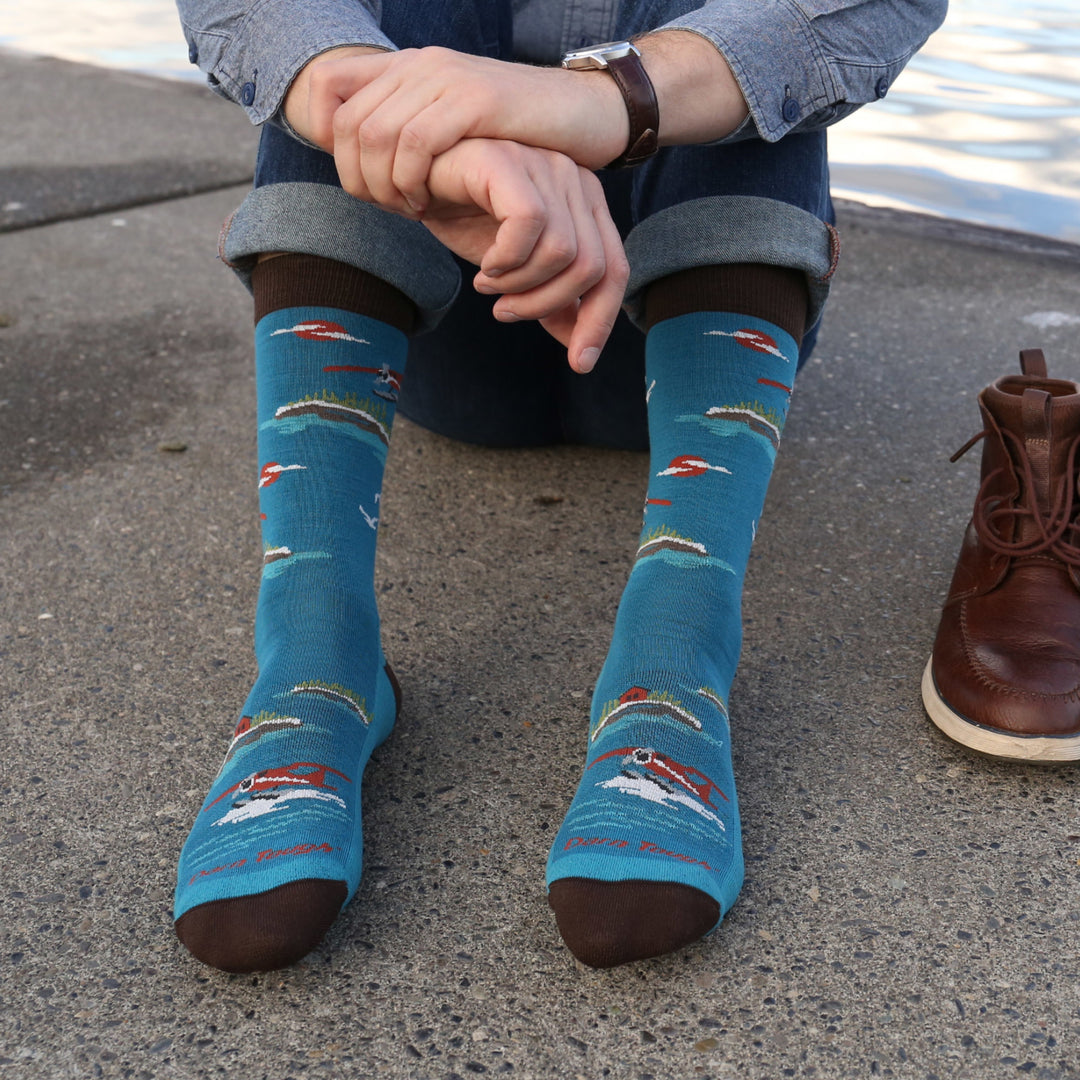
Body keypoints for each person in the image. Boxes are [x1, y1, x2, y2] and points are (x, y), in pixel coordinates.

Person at [171, 0, 948, 972]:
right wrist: (406, 121)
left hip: (682, 304)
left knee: (747, 48)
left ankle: (672, 660)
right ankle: (313, 666)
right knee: (345, 58)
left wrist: (606, 98)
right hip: (444, 297)